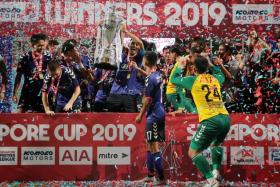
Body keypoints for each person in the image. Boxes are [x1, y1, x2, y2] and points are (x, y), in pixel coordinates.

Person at [170, 55, 230, 187]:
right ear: (206, 66)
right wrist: (211, 64)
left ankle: (211, 181)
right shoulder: (215, 78)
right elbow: (221, 74)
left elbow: (173, 79)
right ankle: (215, 172)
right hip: (225, 118)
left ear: (194, 68)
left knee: (193, 152)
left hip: (211, 120)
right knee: (216, 144)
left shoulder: (193, 80)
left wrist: (179, 65)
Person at [135, 51, 166, 185]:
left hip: (153, 115)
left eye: (143, 58)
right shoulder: (158, 74)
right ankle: (150, 175)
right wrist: (138, 69)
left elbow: (147, 99)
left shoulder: (150, 78)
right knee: (149, 144)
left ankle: (161, 178)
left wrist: (140, 115)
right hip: (159, 112)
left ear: (146, 61)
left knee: (154, 147)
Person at [107, 24, 145, 112]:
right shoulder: (122, 57)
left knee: (131, 121)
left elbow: (141, 43)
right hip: (115, 93)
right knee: (111, 119)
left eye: (136, 45)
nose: (134, 46)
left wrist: (127, 32)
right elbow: (115, 43)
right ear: (129, 45)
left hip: (131, 95)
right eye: (132, 43)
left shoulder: (140, 59)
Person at [13, 33, 51, 112]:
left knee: (42, 118)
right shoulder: (25, 57)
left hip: (42, 92)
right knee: (22, 115)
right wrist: (15, 93)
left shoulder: (48, 57)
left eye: (43, 45)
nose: (41, 48)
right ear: (33, 44)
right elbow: (18, 76)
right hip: (27, 92)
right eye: (39, 45)